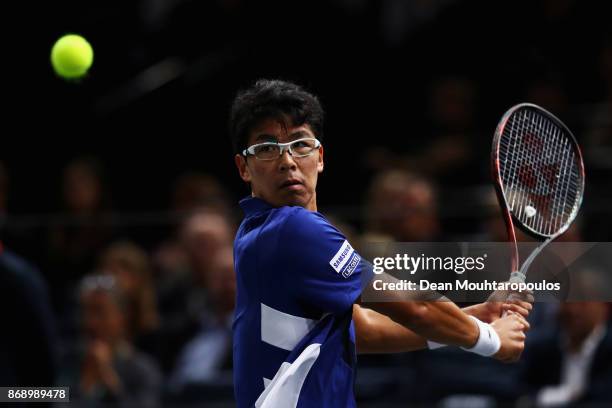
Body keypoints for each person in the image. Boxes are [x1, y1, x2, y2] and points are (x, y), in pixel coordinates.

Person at [230, 79, 531, 407]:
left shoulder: (253, 234)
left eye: (300, 144)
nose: (287, 160)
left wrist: (471, 318)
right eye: (266, 148)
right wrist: (490, 340)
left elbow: (363, 328)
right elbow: (415, 306)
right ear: (244, 167)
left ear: (320, 157)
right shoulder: (293, 228)